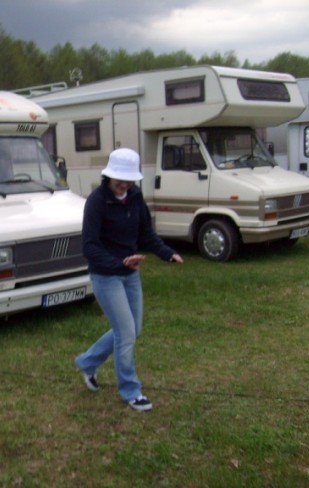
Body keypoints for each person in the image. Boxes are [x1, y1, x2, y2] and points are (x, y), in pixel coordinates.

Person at [74, 148, 184, 412]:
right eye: (119, 180)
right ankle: (131, 391)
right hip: (105, 275)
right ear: (109, 176)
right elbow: (89, 246)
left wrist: (166, 253)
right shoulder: (97, 202)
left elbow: (145, 233)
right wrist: (118, 263)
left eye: (129, 180)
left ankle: (88, 362)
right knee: (126, 333)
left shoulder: (135, 197)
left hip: (130, 274)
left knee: (133, 329)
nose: (124, 185)